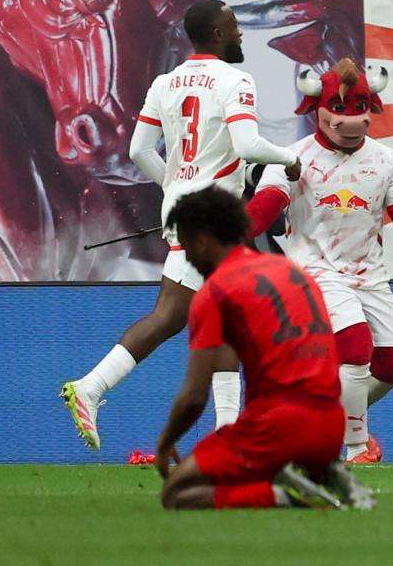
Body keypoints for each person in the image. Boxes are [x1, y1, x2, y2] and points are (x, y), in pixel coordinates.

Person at [61, 0, 302, 452]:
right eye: (233, 26)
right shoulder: (236, 80)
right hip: (211, 218)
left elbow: (138, 151)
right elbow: (247, 144)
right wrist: (291, 159)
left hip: (186, 212)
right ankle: (91, 388)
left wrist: (175, 185)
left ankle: (228, 434)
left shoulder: (166, 82)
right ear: (216, 34)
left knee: (215, 319)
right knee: (178, 316)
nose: (240, 33)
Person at [244, 58, 393, 466]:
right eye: (340, 114)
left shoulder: (388, 162)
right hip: (313, 270)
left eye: (359, 112)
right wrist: (222, 235)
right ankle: (355, 447)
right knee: (354, 347)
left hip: (369, 274)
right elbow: (263, 210)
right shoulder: (291, 158)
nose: (351, 123)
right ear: (317, 111)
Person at [150, 186, 366, 512]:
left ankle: (287, 496)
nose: (188, 257)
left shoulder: (215, 291)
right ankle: (315, 472)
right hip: (331, 424)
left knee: (177, 492)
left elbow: (195, 396)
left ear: (204, 241)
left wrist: (165, 444)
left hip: (278, 427)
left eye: (186, 244)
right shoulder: (292, 271)